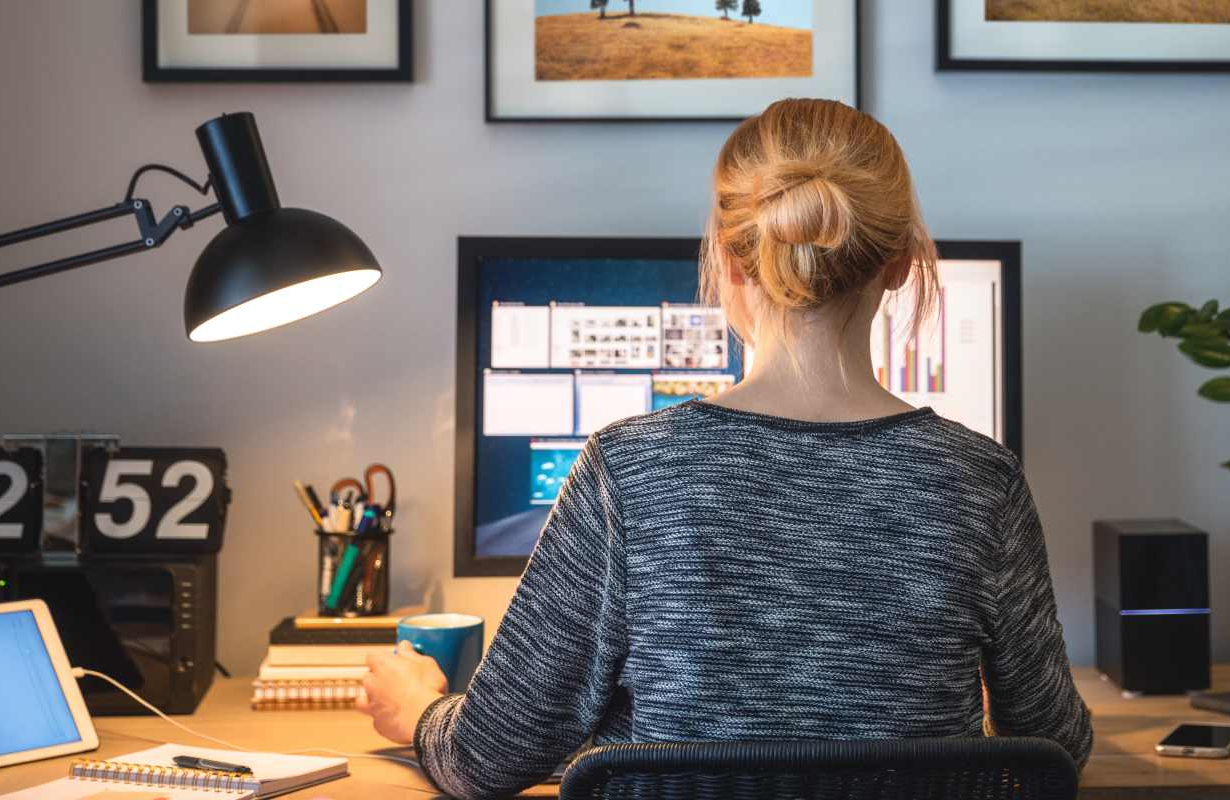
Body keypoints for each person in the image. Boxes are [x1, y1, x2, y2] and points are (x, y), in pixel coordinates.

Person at [358, 98, 1093, 799]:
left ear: (732, 263)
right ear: (900, 263)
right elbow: (1054, 746)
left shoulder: (627, 470)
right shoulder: (981, 481)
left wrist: (420, 710)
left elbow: (487, 758)